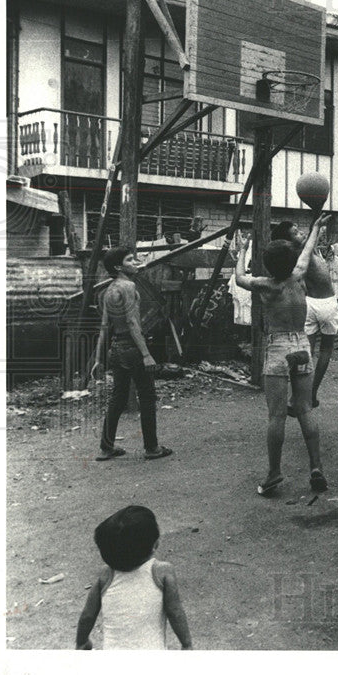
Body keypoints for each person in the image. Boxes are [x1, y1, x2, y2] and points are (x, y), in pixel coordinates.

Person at [236, 213, 329, 496]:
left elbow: (240, 278)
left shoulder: (266, 285)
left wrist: (240, 252)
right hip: (301, 346)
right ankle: (316, 467)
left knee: (276, 416)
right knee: (305, 409)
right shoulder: (299, 277)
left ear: (267, 264)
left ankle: (274, 473)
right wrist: (315, 229)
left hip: (277, 349)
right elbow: (308, 251)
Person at [91, 247, 173, 461]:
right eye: (130, 260)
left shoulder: (109, 290)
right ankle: (152, 448)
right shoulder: (128, 286)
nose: (135, 261)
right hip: (132, 348)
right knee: (147, 396)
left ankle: (106, 447)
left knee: (117, 398)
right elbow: (131, 322)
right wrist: (146, 354)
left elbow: (105, 326)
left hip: (116, 350)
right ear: (119, 267)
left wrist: (99, 358)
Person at [76, 505, 192, 650]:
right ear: (155, 544)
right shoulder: (162, 572)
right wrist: (186, 645)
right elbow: (175, 612)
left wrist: (82, 642)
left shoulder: (106, 575)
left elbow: (88, 615)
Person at [271, 220, 338, 412]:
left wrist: (316, 223)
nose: (301, 233)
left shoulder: (300, 253)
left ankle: (300, 396)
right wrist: (316, 221)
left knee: (306, 352)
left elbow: (313, 234)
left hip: (310, 304)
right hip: (325, 304)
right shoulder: (302, 253)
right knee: (323, 350)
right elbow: (312, 235)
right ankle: (309, 394)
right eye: (296, 232)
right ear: (289, 241)